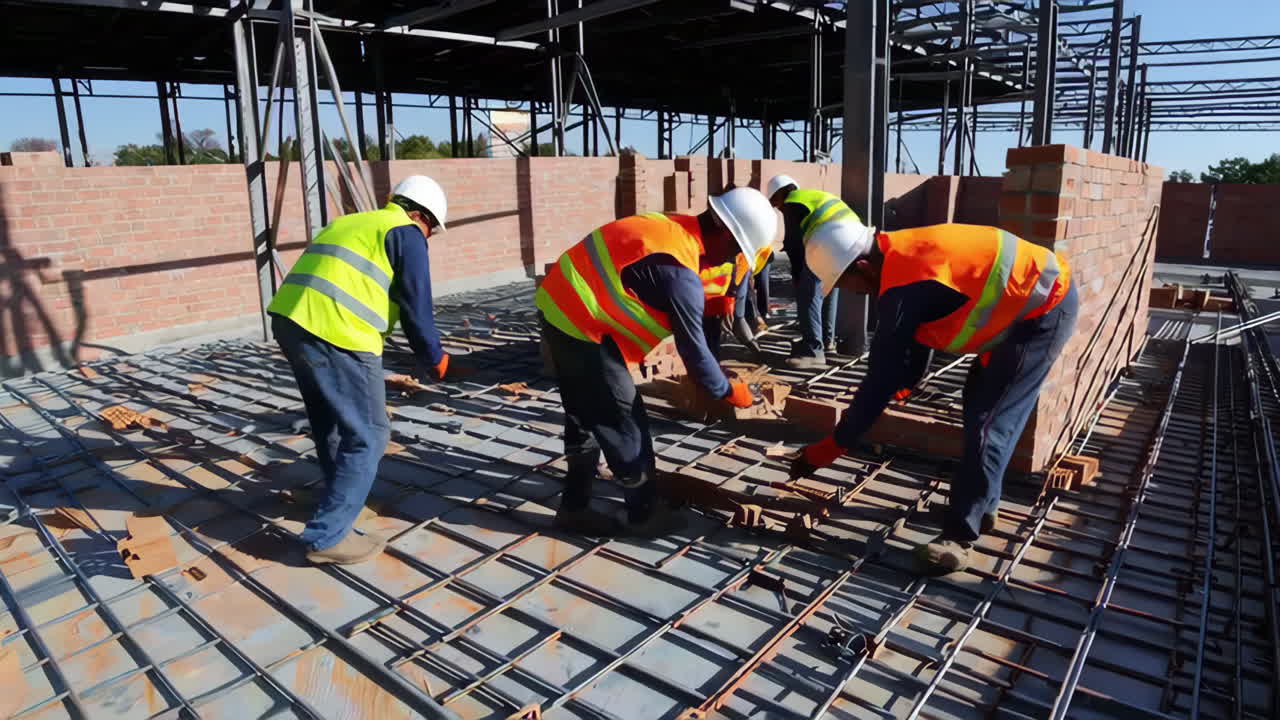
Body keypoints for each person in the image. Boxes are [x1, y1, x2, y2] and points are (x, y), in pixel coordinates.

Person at [789, 222, 1078, 575]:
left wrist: (830, 447)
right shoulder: (900, 254)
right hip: (1016, 313)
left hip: (1041, 311)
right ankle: (982, 506)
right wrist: (908, 381)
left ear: (862, 267)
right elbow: (920, 333)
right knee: (979, 409)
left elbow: (878, 380)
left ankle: (960, 537)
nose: (859, 294)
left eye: (851, 286)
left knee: (989, 423)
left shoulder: (904, 284)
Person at [536, 188, 777, 536]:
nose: (734, 258)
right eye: (738, 249)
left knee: (585, 412)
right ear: (726, 232)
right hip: (582, 324)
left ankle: (574, 507)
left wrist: (718, 317)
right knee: (624, 421)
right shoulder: (680, 276)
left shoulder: (678, 229)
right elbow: (695, 357)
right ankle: (643, 515)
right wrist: (730, 390)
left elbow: (706, 299)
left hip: (561, 303)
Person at [268, 175, 449, 565]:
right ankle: (326, 537)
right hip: (339, 333)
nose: (428, 237)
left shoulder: (349, 222)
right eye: (431, 228)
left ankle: (339, 502)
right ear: (419, 214)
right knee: (370, 434)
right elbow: (418, 305)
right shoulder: (405, 231)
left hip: (291, 322)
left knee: (331, 421)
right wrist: (434, 358)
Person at [765, 174, 862, 369]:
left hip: (831, 241)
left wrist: (798, 275)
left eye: (775, 203)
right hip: (853, 240)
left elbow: (794, 244)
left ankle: (813, 351)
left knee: (808, 293)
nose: (778, 208)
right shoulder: (812, 197)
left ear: (781, 194)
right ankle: (827, 344)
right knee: (828, 288)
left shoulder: (792, 202)